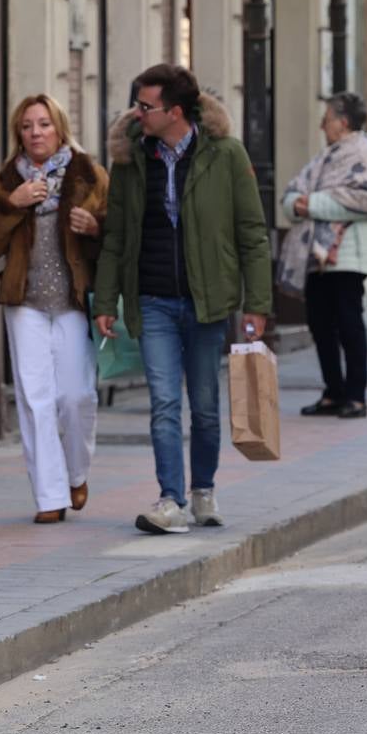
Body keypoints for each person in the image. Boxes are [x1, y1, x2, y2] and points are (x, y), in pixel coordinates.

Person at [93, 64, 271, 535]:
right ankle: (170, 499)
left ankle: (203, 490)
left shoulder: (226, 156)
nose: (138, 113)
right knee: (165, 403)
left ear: (175, 112)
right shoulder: (131, 161)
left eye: (146, 106)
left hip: (207, 302)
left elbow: (252, 234)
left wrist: (257, 304)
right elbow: (116, 236)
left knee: (207, 407)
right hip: (152, 300)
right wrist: (105, 301)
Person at [0, 94, 108, 523]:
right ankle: (49, 498)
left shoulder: (88, 173)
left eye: (44, 124)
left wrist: (95, 228)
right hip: (25, 302)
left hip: (72, 301)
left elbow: (115, 232)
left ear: (59, 128)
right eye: (27, 126)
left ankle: (76, 473)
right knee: (35, 401)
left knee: (76, 396)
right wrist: (11, 206)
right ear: (19, 132)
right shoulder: (5, 181)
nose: (36, 133)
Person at [281, 92, 367, 420]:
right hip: (318, 257)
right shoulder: (327, 157)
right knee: (319, 323)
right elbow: (289, 196)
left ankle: (356, 396)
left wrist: (310, 204)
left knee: (348, 323)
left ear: (343, 123)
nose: (321, 125)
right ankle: (333, 391)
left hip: (347, 256)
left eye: (326, 118)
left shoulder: (365, 152)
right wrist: (299, 203)